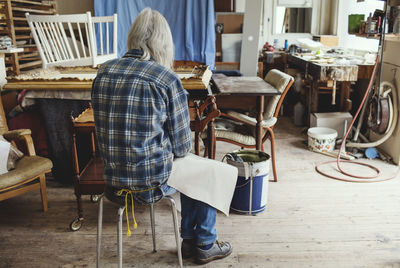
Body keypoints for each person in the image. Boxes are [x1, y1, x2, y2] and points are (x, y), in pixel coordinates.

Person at [91, 8, 236, 264]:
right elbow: (181, 147)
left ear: (133, 37)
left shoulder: (103, 72)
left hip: (113, 183)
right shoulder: (165, 78)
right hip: (150, 185)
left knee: (196, 171)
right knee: (209, 171)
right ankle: (203, 242)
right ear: (164, 43)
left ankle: (193, 242)